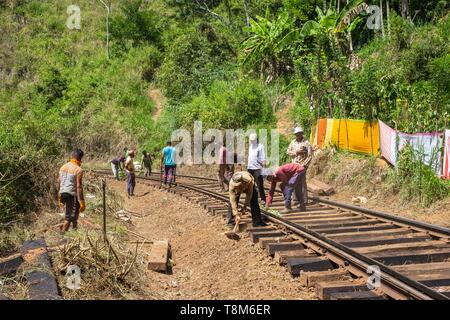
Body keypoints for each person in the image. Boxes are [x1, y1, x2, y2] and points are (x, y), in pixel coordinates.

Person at [57, 149, 85, 233]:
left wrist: (59, 195)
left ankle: (75, 232)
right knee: (68, 218)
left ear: (72, 156)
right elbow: (79, 186)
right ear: (80, 158)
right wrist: (82, 201)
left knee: (75, 212)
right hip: (70, 194)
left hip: (63, 193)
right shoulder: (78, 169)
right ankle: (62, 235)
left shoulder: (63, 166)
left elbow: (58, 181)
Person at [287, 127, 312, 205]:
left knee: (302, 182)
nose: (298, 135)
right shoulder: (293, 142)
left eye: (299, 133)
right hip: (294, 165)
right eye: (297, 134)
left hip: (302, 165)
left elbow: (310, 155)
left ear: (302, 133)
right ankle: (295, 199)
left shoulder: (307, 143)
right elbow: (288, 151)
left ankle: (304, 200)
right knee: (294, 181)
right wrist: (296, 152)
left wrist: (305, 165)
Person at [247, 133, 267, 204]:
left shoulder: (260, 147)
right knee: (250, 185)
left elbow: (263, 157)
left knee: (260, 185)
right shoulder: (250, 147)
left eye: (253, 140)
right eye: (251, 140)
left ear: (256, 140)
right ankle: (251, 199)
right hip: (250, 168)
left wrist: (264, 168)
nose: (252, 142)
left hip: (257, 168)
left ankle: (263, 199)